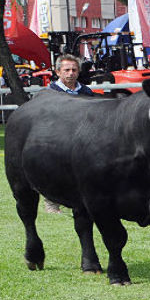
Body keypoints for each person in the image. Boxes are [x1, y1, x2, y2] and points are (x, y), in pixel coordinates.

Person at [44, 54, 96, 213]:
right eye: (66, 70)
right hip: (57, 139)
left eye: (74, 70)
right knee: (56, 171)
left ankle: (82, 200)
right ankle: (51, 202)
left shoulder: (86, 92)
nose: (71, 73)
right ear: (58, 72)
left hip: (83, 139)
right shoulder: (50, 93)